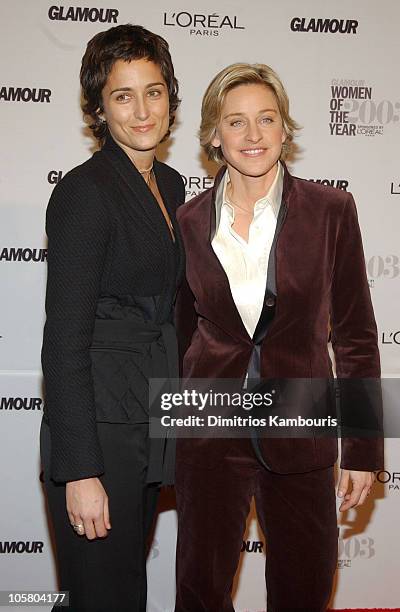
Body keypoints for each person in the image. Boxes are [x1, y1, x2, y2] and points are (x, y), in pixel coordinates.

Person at [174, 63, 383, 611]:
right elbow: (180, 335)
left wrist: (362, 448)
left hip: (301, 421)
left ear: (285, 129)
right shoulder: (189, 221)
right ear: (213, 137)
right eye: (236, 123)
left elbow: (357, 334)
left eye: (266, 119)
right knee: (200, 590)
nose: (253, 135)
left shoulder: (331, 211)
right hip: (208, 426)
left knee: (303, 591)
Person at [40, 24, 184, 612]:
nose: (142, 109)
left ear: (170, 96)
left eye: (153, 91)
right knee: (101, 597)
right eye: (124, 95)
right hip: (99, 429)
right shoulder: (85, 192)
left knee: (126, 589)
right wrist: (80, 470)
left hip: (148, 413)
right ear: (99, 107)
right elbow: (63, 341)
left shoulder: (172, 186)